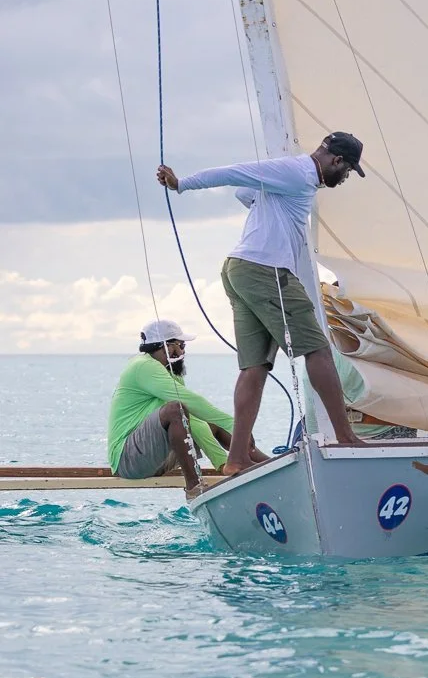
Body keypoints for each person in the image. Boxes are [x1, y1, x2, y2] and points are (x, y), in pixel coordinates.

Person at [157, 133, 366, 475]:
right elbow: (236, 173)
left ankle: (236, 458)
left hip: (238, 269)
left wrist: (266, 204)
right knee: (318, 351)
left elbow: (245, 192)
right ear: (336, 161)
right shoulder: (299, 172)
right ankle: (345, 437)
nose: (343, 179)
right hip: (265, 270)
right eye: (347, 171)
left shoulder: (293, 180)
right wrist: (182, 184)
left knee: (254, 367)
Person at [107, 319, 265, 492]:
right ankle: (194, 486)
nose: (183, 351)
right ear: (165, 346)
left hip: (153, 460)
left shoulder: (169, 372)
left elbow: (196, 421)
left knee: (202, 419)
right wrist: (233, 425)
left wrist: (221, 463)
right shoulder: (143, 366)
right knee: (176, 410)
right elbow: (189, 404)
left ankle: (265, 463)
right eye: (180, 345)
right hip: (128, 461)